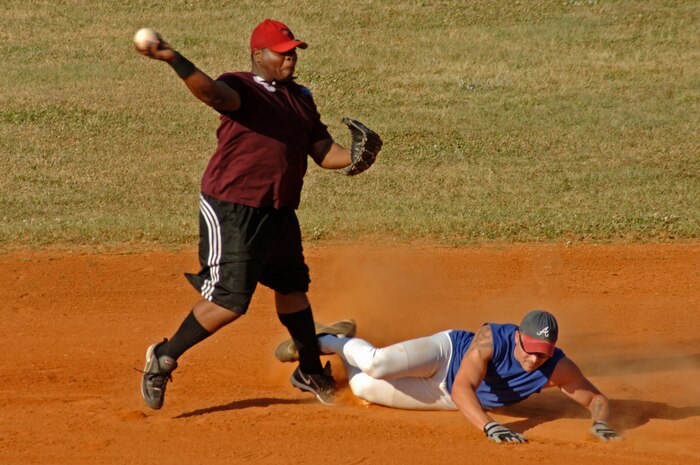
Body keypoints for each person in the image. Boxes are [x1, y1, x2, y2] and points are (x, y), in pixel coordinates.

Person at [135, 19, 380, 409]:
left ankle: (310, 370)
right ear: (258, 56)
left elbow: (322, 152)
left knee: (292, 289)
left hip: (279, 210)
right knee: (231, 300)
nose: (290, 59)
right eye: (282, 53)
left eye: (293, 51)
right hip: (233, 208)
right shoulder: (242, 87)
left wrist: (354, 158)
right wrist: (173, 58)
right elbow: (213, 95)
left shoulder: (300, 96)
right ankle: (163, 357)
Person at [275, 310, 621, 443]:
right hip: (445, 356)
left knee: (362, 384)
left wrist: (601, 421)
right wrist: (489, 426)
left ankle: (342, 353)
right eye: (529, 349)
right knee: (377, 364)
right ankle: (327, 339)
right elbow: (462, 387)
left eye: (542, 352)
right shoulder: (490, 338)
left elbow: (596, 399)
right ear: (517, 337)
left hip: (445, 397)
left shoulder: (557, 366)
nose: (534, 358)